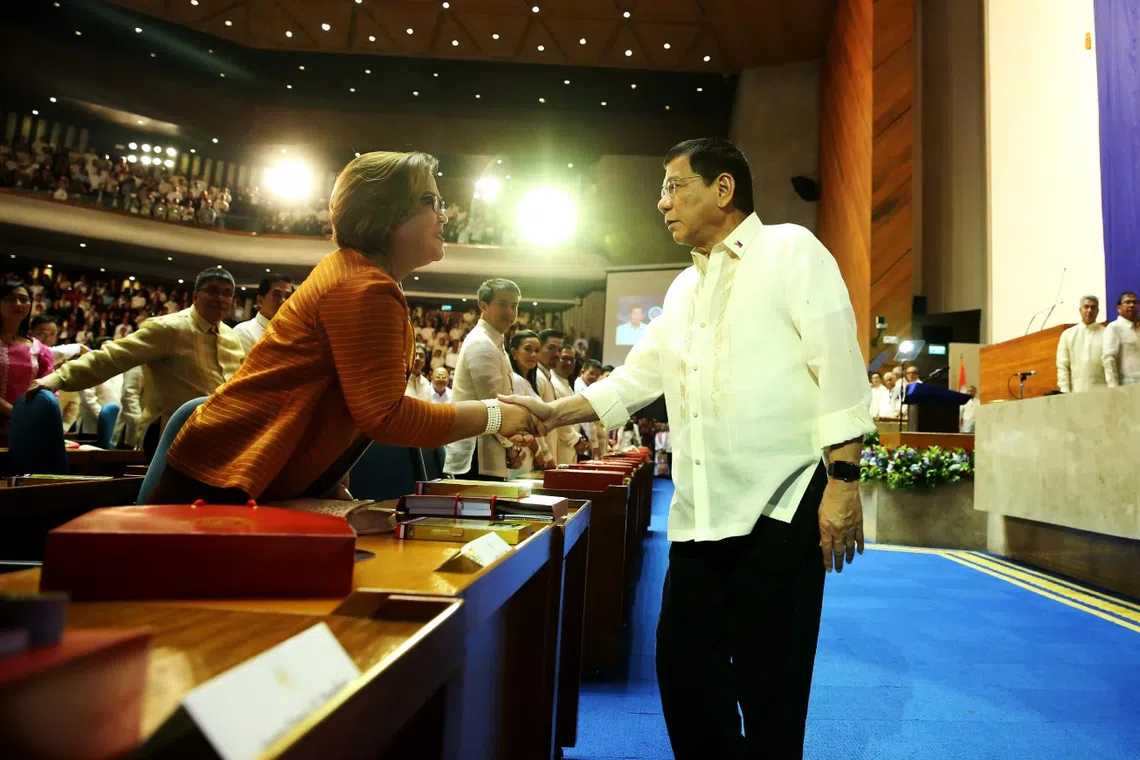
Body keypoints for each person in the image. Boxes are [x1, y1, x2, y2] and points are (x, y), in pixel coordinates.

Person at [501, 137, 874, 760]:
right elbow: (633, 383)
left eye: (676, 186)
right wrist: (547, 414)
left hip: (780, 504)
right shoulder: (680, 291)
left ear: (722, 190)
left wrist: (844, 480)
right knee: (681, 672)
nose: (662, 201)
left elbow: (838, 364)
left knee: (772, 684)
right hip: (701, 515)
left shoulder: (791, 250)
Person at [145, 151, 534, 503]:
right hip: (219, 482)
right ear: (386, 213)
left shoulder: (358, 274)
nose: (444, 214)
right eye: (429, 201)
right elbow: (386, 417)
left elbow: (336, 401)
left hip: (242, 474)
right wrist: (496, 415)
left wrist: (327, 477)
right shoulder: (363, 287)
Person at [27, 267, 246, 453]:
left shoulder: (231, 337)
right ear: (195, 296)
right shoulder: (168, 328)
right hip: (170, 438)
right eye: (213, 291)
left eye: (227, 293)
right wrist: (58, 378)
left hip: (218, 438)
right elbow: (113, 356)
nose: (221, 299)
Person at [443, 277, 528, 480]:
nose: (510, 312)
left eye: (514, 306)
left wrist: (512, 446)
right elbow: (494, 407)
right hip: (476, 455)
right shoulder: (482, 343)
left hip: (489, 451)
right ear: (483, 305)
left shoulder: (494, 342)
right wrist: (512, 446)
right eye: (503, 304)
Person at [0, 282, 54, 430]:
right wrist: (15, 413)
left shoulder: (40, 349)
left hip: (26, 425)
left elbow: (48, 388)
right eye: (10, 299)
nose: (18, 304)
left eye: (24, 299)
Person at [506, 329, 553, 475]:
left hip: (531, 455)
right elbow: (520, 424)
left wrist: (545, 455)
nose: (533, 355)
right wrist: (539, 454)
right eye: (527, 349)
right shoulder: (515, 380)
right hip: (520, 453)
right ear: (514, 353)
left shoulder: (528, 382)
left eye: (537, 350)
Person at [1055, 296, 1105, 394]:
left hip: (1103, 391)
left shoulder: (1107, 333)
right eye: (1086, 307)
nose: (1089, 310)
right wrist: (1064, 391)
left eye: (1093, 307)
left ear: (1097, 311)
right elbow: (1063, 365)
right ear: (1080, 310)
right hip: (1076, 393)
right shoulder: (1068, 335)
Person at [232, 274, 293, 354]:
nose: (283, 301)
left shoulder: (292, 334)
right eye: (276, 295)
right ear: (260, 301)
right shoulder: (244, 332)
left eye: (288, 296)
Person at [1102, 291, 1140, 387]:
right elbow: (1109, 359)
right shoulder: (1114, 328)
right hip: (1126, 387)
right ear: (1119, 308)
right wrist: (1113, 388)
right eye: (1127, 302)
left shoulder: (1138, 330)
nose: (1132, 305)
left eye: (1135, 302)